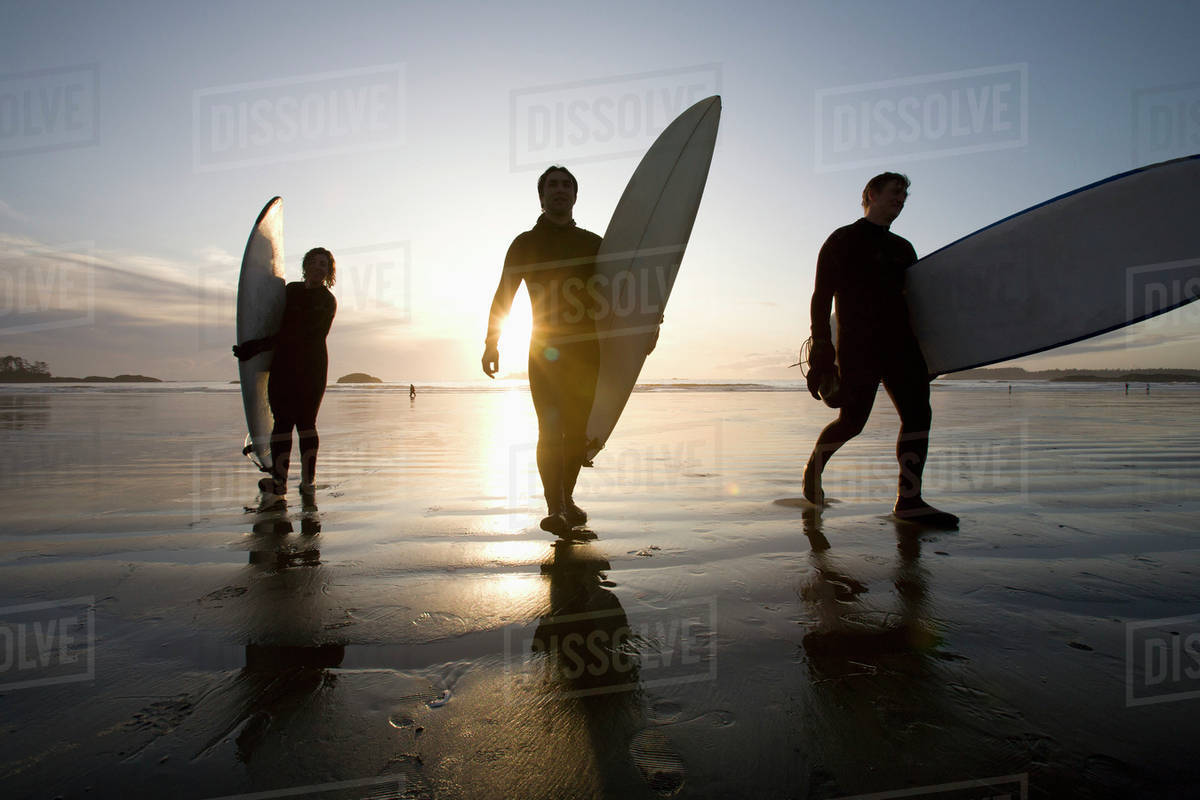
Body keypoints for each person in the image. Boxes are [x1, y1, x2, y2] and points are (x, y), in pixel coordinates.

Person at [802, 173, 958, 528]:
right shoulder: (843, 240)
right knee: (853, 422)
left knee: (919, 416)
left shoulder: (903, 249)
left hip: (902, 344)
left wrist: (934, 354)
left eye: (905, 195)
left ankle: (909, 500)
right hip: (859, 346)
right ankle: (815, 467)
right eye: (895, 192)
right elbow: (821, 295)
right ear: (871, 194)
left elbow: (920, 304)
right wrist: (822, 349)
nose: (901, 200)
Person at [483, 166, 602, 536]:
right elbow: (505, 293)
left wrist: (652, 324)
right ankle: (556, 508)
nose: (560, 190)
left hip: (587, 353)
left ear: (575, 195)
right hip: (544, 350)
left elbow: (628, 290)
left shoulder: (594, 243)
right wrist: (492, 341)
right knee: (550, 430)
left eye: (567, 185)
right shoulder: (525, 243)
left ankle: (565, 499)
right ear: (541, 195)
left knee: (578, 433)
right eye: (552, 185)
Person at [234, 247, 337, 495]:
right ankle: (279, 481)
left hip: (311, 368)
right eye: (313, 262)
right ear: (305, 266)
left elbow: (302, 335)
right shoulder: (289, 291)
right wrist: (255, 345)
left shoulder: (327, 301)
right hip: (282, 366)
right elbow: (270, 318)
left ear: (329, 271)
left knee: (306, 425)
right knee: (281, 424)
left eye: (323, 264)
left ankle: (308, 481)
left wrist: (258, 347)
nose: (317, 267)